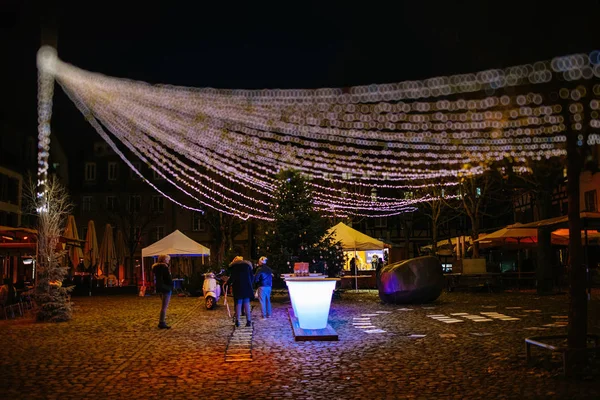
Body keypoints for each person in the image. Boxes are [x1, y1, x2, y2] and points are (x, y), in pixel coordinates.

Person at [227, 256, 254, 327]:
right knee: (246, 304)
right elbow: (252, 277)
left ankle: (237, 321)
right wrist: (249, 283)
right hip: (247, 287)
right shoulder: (248, 266)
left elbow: (233, 278)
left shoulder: (235, 267)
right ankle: (248, 321)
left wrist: (228, 283)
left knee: (238, 304)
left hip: (238, 287)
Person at [153, 254, 173, 329]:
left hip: (161, 288)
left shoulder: (156, 268)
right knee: (164, 306)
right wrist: (171, 285)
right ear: (164, 260)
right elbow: (168, 278)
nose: (168, 261)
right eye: (167, 259)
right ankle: (161, 322)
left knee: (164, 305)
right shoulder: (164, 268)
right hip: (166, 288)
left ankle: (162, 321)